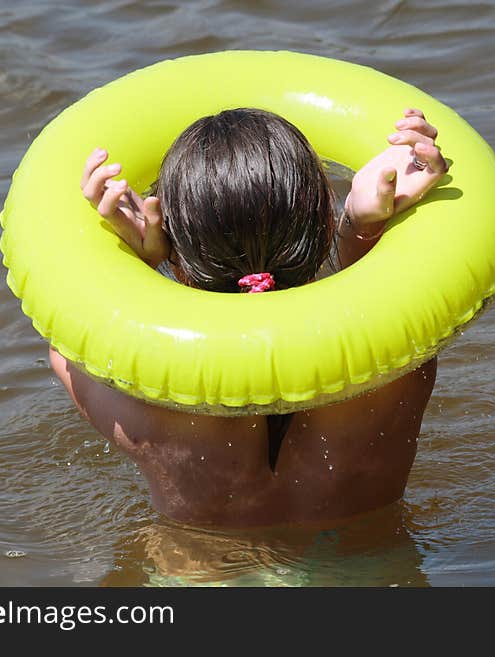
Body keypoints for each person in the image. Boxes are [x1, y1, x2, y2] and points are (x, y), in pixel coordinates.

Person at [50, 107, 448, 527]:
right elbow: (378, 301)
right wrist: (361, 226)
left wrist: (144, 262)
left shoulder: (159, 413)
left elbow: (66, 348)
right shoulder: (396, 363)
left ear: (178, 250)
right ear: (325, 224)